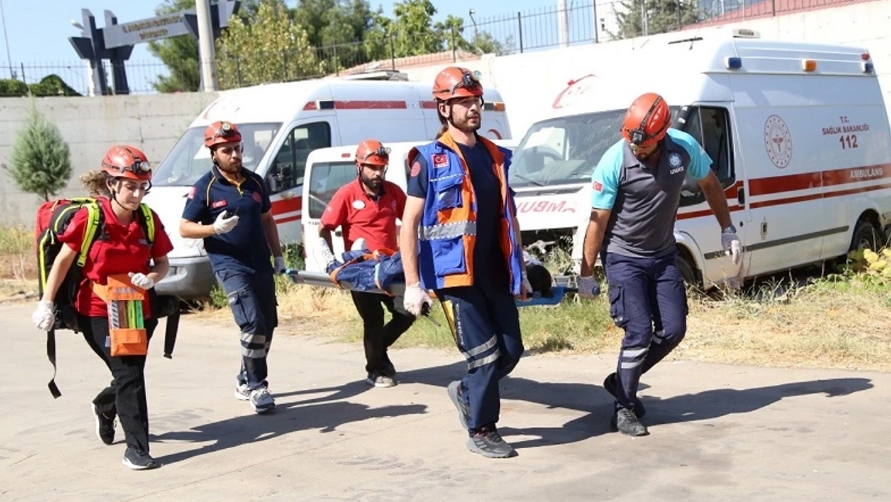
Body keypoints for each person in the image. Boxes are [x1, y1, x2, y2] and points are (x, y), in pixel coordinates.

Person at [578, 93, 742, 437]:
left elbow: (711, 184)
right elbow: (597, 222)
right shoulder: (614, 162)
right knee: (637, 331)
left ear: (662, 134)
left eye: (644, 144)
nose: (636, 148)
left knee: (673, 330)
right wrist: (586, 273)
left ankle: (620, 379)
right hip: (624, 257)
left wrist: (727, 229)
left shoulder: (682, 148)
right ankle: (624, 407)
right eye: (631, 141)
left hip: (664, 255)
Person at [400, 67, 532, 459]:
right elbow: (408, 225)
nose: (474, 108)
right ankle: (482, 428)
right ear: (444, 108)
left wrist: (520, 270)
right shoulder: (429, 159)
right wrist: (412, 283)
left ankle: (465, 391)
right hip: (455, 275)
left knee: (511, 351)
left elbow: (510, 216)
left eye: (477, 101)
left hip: (496, 272)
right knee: (486, 356)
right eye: (464, 103)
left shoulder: (494, 156)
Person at [31, 145, 174, 470]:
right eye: (130, 186)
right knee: (128, 373)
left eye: (142, 186)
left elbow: (163, 263)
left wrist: (151, 278)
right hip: (95, 309)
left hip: (135, 308)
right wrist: (46, 303)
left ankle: (105, 406)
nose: (137, 194)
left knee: (129, 374)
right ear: (111, 184)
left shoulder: (148, 220)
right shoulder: (91, 218)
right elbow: (63, 263)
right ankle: (137, 450)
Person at [179, 121, 286, 414]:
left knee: (268, 324)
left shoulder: (255, 182)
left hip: (259, 262)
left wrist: (278, 257)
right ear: (213, 153)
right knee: (252, 323)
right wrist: (214, 228)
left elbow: (267, 220)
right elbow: (185, 228)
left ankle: (244, 377)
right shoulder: (205, 188)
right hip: (229, 264)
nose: (235, 155)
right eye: (227, 150)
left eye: (238, 148)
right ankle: (257, 386)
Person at [316, 139, 416, 388]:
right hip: (361, 271)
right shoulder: (347, 194)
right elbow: (323, 228)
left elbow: (412, 221)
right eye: (371, 168)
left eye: (381, 168)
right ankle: (375, 368)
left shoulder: (393, 192)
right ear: (358, 166)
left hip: (391, 267)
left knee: (408, 312)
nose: (377, 173)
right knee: (373, 319)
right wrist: (329, 261)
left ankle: (377, 351)